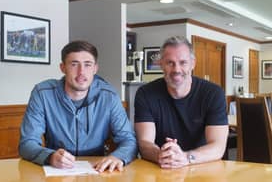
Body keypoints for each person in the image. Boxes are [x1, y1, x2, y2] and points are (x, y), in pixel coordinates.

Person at [19, 40, 137, 172]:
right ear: (62, 68)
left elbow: (129, 140)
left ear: (95, 69)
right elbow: (27, 143)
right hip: (55, 170)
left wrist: (118, 157)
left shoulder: (109, 96)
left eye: (87, 65)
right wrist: (50, 156)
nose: (81, 72)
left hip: (97, 170)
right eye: (74, 64)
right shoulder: (42, 93)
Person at [134, 36, 228, 169]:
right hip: (162, 168)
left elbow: (218, 146)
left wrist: (185, 157)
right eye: (170, 63)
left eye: (183, 62)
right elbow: (144, 143)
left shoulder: (213, 93)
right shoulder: (145, 94)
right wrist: (162, 155)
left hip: (202, 167)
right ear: (161, 64)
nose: (176, 70)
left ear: (193, 63)